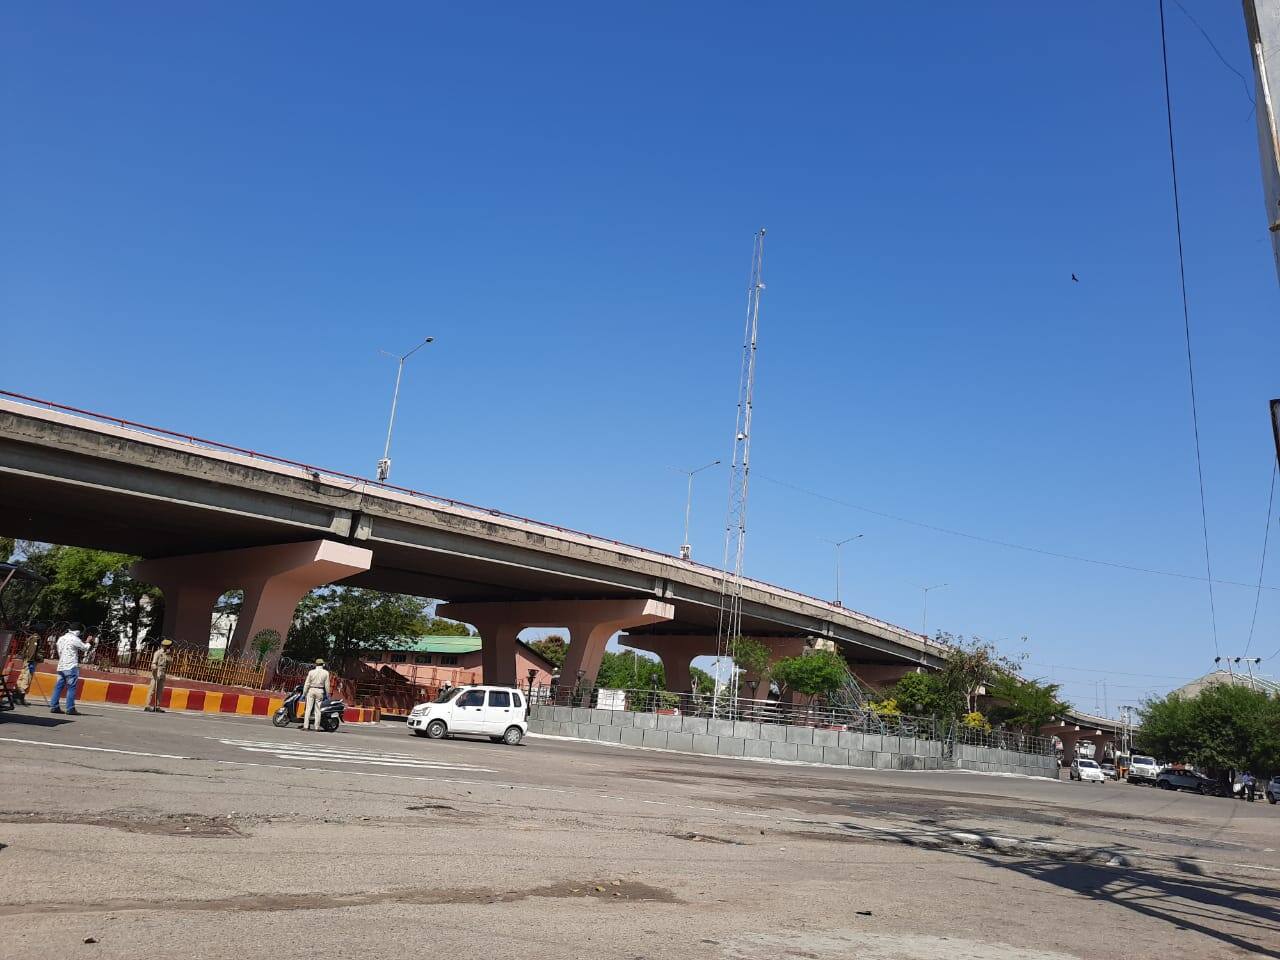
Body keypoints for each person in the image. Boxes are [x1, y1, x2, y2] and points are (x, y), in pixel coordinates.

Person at [50, 622, 93, 715]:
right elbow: (85, 648)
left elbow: (59, 651)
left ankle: (54, 706)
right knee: (71, 687)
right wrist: (88, 641)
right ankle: (70, 708)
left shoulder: (61, 639)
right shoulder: (74, 639)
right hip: (71, 666)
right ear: (78, 631)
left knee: (58, 686)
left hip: (61, 665)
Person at [14, 625, 44, 705]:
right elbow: (32, 650)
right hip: (30, 661)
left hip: (27, 660)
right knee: (26, 679)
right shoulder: (35, 638)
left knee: (22, 677)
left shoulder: (31, 637)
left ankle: (16, 696)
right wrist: (31, 661)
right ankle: (20, 698)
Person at [145, 638, 173, 712]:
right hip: (157, 672)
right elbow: (153, 663)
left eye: (169, 646)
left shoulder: (167, 654)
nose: (169, 647)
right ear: (164, 646)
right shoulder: (158, 653)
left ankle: (157, 706)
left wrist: (168, 655)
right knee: (152, 689)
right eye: (167, 646)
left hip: (163, 673)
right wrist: (154, 668)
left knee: (160, 691)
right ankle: (147, 706)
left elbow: (170, 663)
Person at [302, 658, 330, 731]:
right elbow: (327, 685)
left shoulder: (311, 672)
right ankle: (316, 727)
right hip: (320, 691)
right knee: (318, 710)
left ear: (316, 664)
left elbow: (307, 683)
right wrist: (327, 694)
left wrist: (304, 693)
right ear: (323, 664)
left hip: (311, 690)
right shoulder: (326, 673)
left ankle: (306, 726)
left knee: (308, 709)